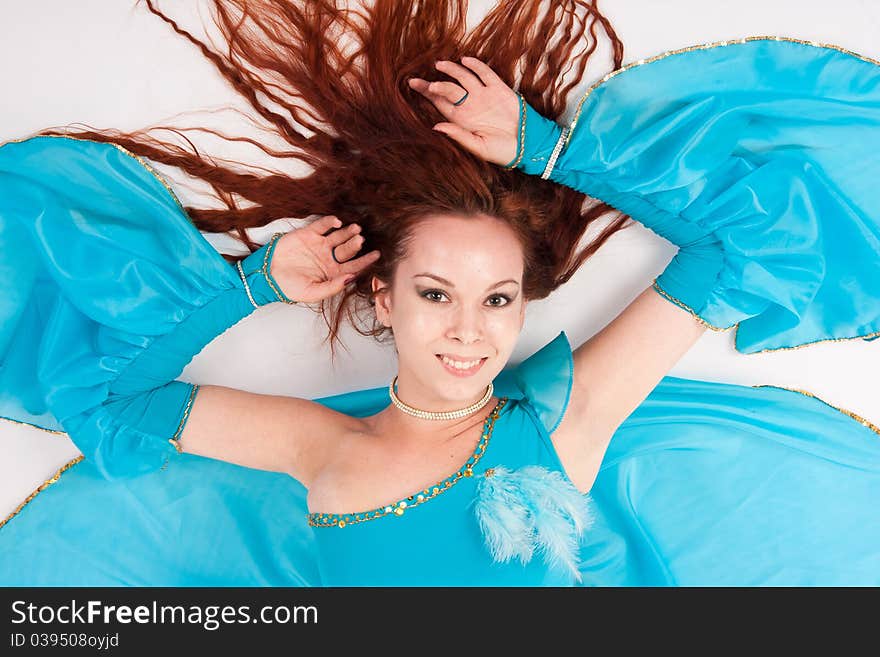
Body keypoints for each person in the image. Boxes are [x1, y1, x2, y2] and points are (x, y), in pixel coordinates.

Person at [1, 0, 878, 586]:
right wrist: (252, 285)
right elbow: (112, 404)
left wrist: (555, 153)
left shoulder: (563, 424)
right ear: (382, 298)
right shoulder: (322, 444)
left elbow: (743, 244)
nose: (470, 333)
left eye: (498, 299)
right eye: (434, 293)